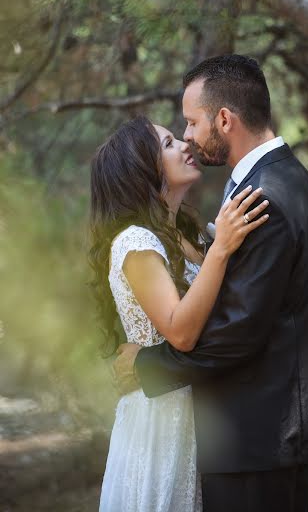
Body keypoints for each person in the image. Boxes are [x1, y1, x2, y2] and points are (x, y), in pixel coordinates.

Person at [114, 54, 308, 512]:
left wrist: (147, 365)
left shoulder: (265, 198)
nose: (187, 136)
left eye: (191, 122)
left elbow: (237, 331)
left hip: (258, 435)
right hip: (265, 432)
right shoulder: (281, 179)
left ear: (224, 119)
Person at [89, 115, 269, 511]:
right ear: (142, 171)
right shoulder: (135, 242)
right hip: (160, 420)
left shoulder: (188, 236)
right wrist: (221, 250)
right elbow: (181, 333)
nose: (185, 145)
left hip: (201, 409)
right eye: (168, 144)